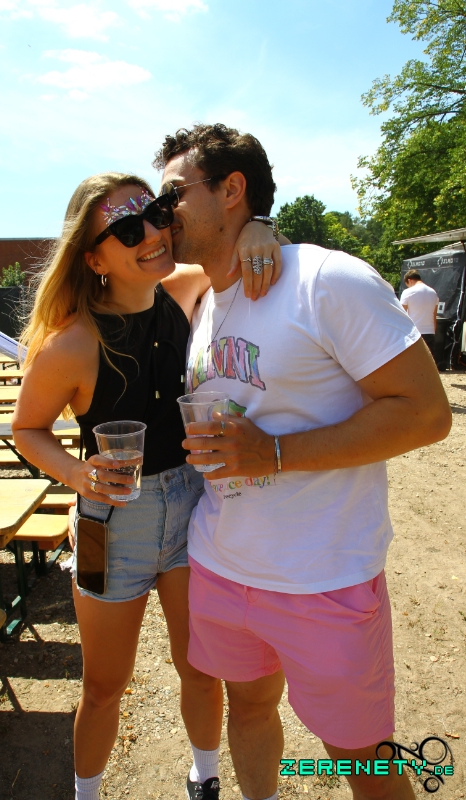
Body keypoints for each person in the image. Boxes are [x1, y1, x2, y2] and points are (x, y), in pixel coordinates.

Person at [153, 123, 452, 800]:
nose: (162, 211)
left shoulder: (327, 280)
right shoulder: (200, 295)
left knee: (361, 755)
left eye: (173, 194)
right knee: (249, 710)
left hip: (323, 578)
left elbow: (426, 414)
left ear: (231, 188)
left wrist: (274, 453)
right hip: (221, 565)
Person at [11, 172, 282, 800]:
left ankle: (204, 777)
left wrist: (261, 227)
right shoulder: (71, 343)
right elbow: (27, 429)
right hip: (107, 525)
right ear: (94, 258)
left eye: (156, 214)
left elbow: (243, 247)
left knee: (201, 667)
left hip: (191, 506)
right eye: (128, 229)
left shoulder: (185, 290)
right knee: (104, 686)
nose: (153, 233)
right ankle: (87, 794)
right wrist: (76, 473)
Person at [400, 268, 439, 357]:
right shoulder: (433, 292)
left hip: (414, 333)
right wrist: (433, 332)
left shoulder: (407, 292)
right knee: (427, 361)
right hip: (430, 332)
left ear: (409, 280)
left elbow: (402, 314)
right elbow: (434, 315)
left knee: (413, 360)